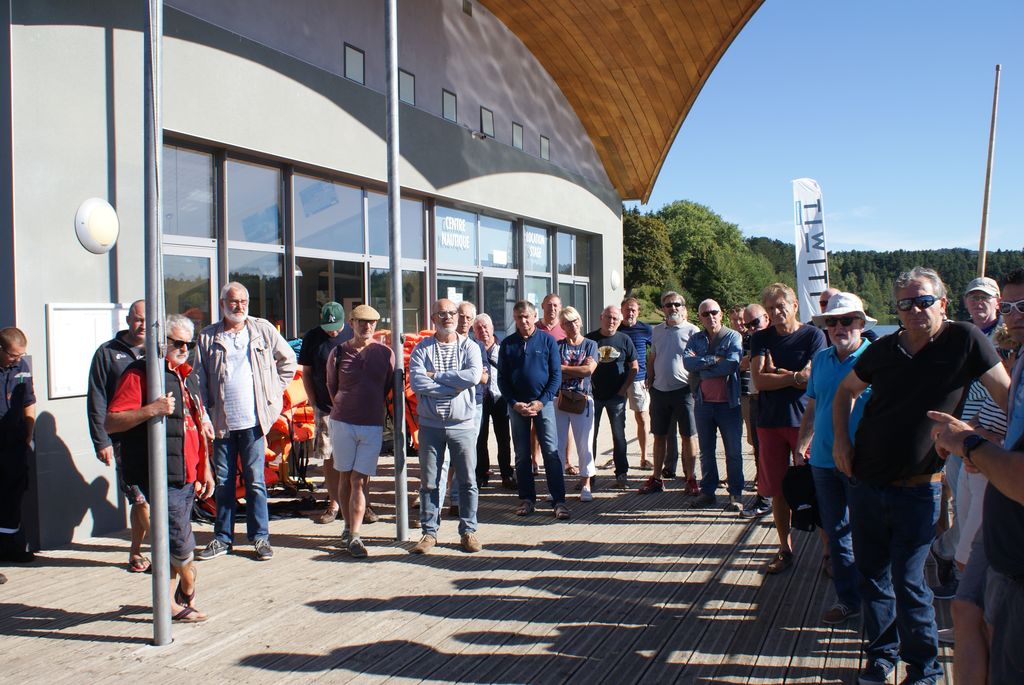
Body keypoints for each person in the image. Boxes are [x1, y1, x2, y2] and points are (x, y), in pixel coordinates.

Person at [833, 267, 1009, 685]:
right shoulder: (885, 348)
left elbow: (1008, 396)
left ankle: (923, 669)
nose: (914, 310)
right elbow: (844, 392)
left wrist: (986, 443)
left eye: (923, 301)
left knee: (909, 583)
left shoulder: (964, 339)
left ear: (942, 304)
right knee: (872, 577)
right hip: (866, 482)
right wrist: (841, 442)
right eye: (905, 304)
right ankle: (881, 656)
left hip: (918, 488)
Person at [929, 267, 1024, 684]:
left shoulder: (998, 349)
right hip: (992, 473)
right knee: (967, 608)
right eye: (1012, 306)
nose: (1016, 315)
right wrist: (975, 445)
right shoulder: (1014, 353)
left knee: (997, 631)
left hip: (1007, 489)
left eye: (1023, 306)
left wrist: (973, 444)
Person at [105, 314, 215, 622]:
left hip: (188, 474)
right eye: (177, 343)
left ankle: (173, 600)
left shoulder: (187, 375)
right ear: (161, 342)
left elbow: (196, 426)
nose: (184, 349)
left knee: (173, 541)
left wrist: (205, 469)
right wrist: (151, 410)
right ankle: (185, 590)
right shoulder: (141, 373)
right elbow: (111, 421)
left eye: (189, 344)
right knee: (178, 543)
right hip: (160, 474)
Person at [195, 282, 297, 562]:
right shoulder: (208, 337)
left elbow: (288, 361)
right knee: (224, 482)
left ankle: (260, 537)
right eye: (233, 301)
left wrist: (272, 394)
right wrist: (203, 415)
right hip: (222, 423)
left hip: (254, 422)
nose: (239, 306)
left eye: (243, 301)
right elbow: (198, 380)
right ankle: (222, 538)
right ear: (222, 304)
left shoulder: (262, 329)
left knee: (255, 481)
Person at [795, 292, 875, 625]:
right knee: (836, 532)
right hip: (823, 461)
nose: (839, 327)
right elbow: (813, 406)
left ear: (861, 323)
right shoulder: (822, 359)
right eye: (832, 322)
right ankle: (848, 600)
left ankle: (877, 603)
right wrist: (802, 444)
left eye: (846, 320)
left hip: (864, 463)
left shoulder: (876, 359)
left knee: (870, 533)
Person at [931, 275, 1003, 594]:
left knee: (984, 513)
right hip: (962, 432)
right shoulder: (961, 337)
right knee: (965, 508)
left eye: (984, 297)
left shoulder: (1007, 337)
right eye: (973, 297)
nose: (978, 303)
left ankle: (948, 553)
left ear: (998, 301)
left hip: (995, 435)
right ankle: (961, 575)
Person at [748, 283, 826, 573]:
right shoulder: (761, 337)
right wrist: (794, 377)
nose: (776, 312)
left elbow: (812, 378)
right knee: (778, 489)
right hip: (770, 423)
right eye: (770, 308)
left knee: (816, 486)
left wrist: (778, 373)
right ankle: (784, 548)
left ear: (795, 306)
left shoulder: (813, 335)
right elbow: (759, 381)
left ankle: (829, 552)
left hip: (805, 422)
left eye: (781, 306)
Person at [409, 299, 483, 554]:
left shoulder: (470, 347)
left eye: (452, 313)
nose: (448, 317)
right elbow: (418, 383)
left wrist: (437, 377)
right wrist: (453, 387)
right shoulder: (422, 349)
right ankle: (429, 533)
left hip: (463, 425)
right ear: (433, 318)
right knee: (429, 482)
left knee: (468, 480)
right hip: (431, 425)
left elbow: (473, 376)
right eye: (442, 314)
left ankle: (468, 531)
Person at [326, 304, 394, 558]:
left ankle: (355, 535)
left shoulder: (386, 353)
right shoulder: (338, 352)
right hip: (343, 421)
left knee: (359, 479)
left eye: (372, 322)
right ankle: (347, 527)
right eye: (362, 322)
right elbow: (332, 386)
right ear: (351, 323)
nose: (367, 327)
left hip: (372, 424)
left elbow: (387, 386)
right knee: (345, 476)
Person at [87, 299, 150, 572]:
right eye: (138, 319)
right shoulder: (107, 353)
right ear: (127, 320)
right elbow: (97, 398)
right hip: (123, 439)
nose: (142, 325)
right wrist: (101, 440)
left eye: (147, 320)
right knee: (139, 498)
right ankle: (164, 550)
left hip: (155, 437)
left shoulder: (159, 350)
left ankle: (136, 551)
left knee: (147, 499)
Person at [498, 300, 567, 519]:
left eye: (527, 316)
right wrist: (513, 402)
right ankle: (527, 499)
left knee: (551, 452)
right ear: (514, 319)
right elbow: (502, 379)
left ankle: (559, 500)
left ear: (535, 316)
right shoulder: (507, 344)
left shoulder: (547, 341)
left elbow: (556, 376)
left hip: (543, 405)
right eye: (519, 317)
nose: (523, 321)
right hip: (517, 406)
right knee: (521, 455)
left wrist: (542, 401)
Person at [297, 302, 363, 525]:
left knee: (357, 456)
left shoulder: (353, 334)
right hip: (325, 407)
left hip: (352, 407)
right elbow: (306, 372)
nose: (332, 332)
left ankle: (361, 502)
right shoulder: (312, 338)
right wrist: (313, 400)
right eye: (328, 328)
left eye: (336, 328)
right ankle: (334, 502)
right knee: (329, 456)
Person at [683, 299, 744, 510]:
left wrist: (702, 368)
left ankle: (736, 494)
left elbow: (732, 364)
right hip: (703, 403)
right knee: (706, 451)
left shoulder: (733, 336)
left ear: (721, 314)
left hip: (729, 404)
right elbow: (687, 362)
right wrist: (714, 360)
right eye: (705, 314)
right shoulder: (696, 339)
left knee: (733, 452)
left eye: (714, 312)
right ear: (699, 317)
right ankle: (707, 492)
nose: (711, 317)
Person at [639, 292, 700, 495]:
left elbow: (699, 361)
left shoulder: (693, 330)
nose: (672, 308)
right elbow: (653, 356)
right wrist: (650, 378)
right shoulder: (657, 330)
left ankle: (691, 478)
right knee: (659, 436)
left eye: (676, 304)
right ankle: (656, 478)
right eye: (668, 305)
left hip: (684, 391)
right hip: (659, 390)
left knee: (688, 436)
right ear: (663, 308)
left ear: (683, 307)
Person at [586, 305, 637, 489]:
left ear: (620, 320)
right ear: (601, 317)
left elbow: (634, 366)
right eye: (608, 317)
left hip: (616, 397)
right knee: (590, 436)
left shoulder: (624, 339)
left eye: (615, 318)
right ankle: (589, 475)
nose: (611, 321)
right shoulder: (590, 339)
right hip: (594, 396)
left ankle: (621, 474)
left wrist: (623, 390)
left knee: (619, 436)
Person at [554, 307, 598, 501]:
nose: (573, 325)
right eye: (567, 322)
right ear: (562, 326)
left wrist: (564, 368)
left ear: (580, 321)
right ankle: (556, 487)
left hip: (583, 399)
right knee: (557, 444)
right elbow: (553, 371)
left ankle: (586, 484)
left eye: (575, 320)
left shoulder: (591, 345)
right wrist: (577, 369)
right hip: (560, 399)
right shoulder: (558, 345)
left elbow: (588, 371)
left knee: (584, 443)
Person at [0, 327, 35, 563]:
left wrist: (29, 431)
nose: (17, 359)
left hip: (14, 443)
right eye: (13, 355)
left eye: (21, 354)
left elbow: (29, 400)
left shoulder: (22, 367)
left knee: (12, 495)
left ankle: (9, 548)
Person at [474, 314, 514, 490]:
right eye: (479, 328)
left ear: (492, 328)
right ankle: (482, 474)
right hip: (481, 399)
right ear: (474, 332)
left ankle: (506, 474)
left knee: (503, 438)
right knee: (480, 439)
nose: (483, 330)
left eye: (485, 327)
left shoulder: (503, 347)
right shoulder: (473, 349)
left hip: (500, 398)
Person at [739, 303, 770, 516]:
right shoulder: (752, 340)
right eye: (747, 325)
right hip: (755, 398)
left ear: (766, 318)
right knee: (759, 449)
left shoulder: (774, 337)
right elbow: (740, 364)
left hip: (774, 399)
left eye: (755, 322)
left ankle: (790, 500)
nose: (751, 328)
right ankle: (764, 497)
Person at [618, 297, 653, 470]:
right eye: (627, 309)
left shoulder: (646, 329)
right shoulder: (615, 328)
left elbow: (655, 352)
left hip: (638, 380)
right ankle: (619, 456)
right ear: (621, 310)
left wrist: (651, 374)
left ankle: (644, 457)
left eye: (633, 310)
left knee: (642, 418)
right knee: (618, 419)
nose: (630, 313)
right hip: (617, 380)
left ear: (638, 312)